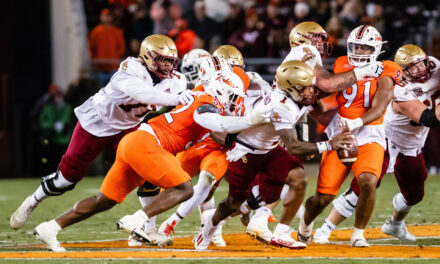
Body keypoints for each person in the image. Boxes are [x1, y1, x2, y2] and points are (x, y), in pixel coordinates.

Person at [32, 70, 271, 252]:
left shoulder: (203, 95)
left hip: (137, 143)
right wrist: (252, 120)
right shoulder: (205, 102)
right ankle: (138, 221)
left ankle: (50, 228)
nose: (232, 102)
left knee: (103, 201)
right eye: (231, 96)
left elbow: (222, 132)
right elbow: (219, 125)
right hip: (147, 144)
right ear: (220, 91)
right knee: (184, 188)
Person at [10, 34, 193, 230]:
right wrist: (177, 98)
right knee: (65, 179)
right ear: (147, 57)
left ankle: (147, 230)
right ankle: (33, 200)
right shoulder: (130, 70)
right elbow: (143, 94)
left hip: (128, 128)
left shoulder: (177, 81)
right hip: (97, 122)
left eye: (170, 61)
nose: (167, 65)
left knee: (149, 171)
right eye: (162, 59)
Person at [244, 21, 384, 249]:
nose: (323, 43)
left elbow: (316, 103)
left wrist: (336, 125)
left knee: (287, 177)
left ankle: (255, 215)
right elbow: (328, 85)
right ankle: (261, 221)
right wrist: (364, 72)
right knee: (293, 175)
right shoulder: (305, 52)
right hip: (281, 119)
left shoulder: (304, 59)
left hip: (286, 117)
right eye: (318, 38)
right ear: (303, 39)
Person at [193, 60, 355, 250]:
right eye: (305, 88)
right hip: (246, 151)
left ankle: (281, 232)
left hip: (269, 148)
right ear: (290, 88)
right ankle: (209, 227)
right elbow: (294, 147)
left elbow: (298, 127)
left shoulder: (294, 96)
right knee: (233, 203)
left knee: (299, 179)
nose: (310, 91)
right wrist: (329, 145)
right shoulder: (281, 106)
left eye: (310, 86)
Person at [312, 44, 440, 244]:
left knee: (415, 193)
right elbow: (428, 118)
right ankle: (325, 228)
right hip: (388, 138)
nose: (420, 70)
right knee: (365, 184)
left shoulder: (433, 66)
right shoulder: (399, 89)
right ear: (402, 71)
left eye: (421, 64)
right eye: (412, 68)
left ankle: (395, 225)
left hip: (412, 144)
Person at [297, 25, 402, 248]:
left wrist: (356, 122)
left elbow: (380, 105)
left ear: (376, 49)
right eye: (356, 46)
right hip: (340, 134)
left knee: (368, 182)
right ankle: (305, 226)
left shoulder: (388, 68)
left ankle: (358, 234)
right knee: (322, 199)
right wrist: (306, 91)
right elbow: (327, 89)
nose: (359, 51)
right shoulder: (342, 63)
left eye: (365, 48)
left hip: (370, 133)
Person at [89, 8, 126, 89]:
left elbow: (122, 48)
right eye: (105, 16)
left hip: (113, 67)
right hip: (100, 67)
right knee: (101, 92)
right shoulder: (95, 32)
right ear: (101, 17)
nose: (106, 18)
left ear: (111, 17)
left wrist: (115, 57)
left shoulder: (117, 31)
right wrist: (94, 61)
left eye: (108, 16)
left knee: (113, 91)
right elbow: (92, 48)